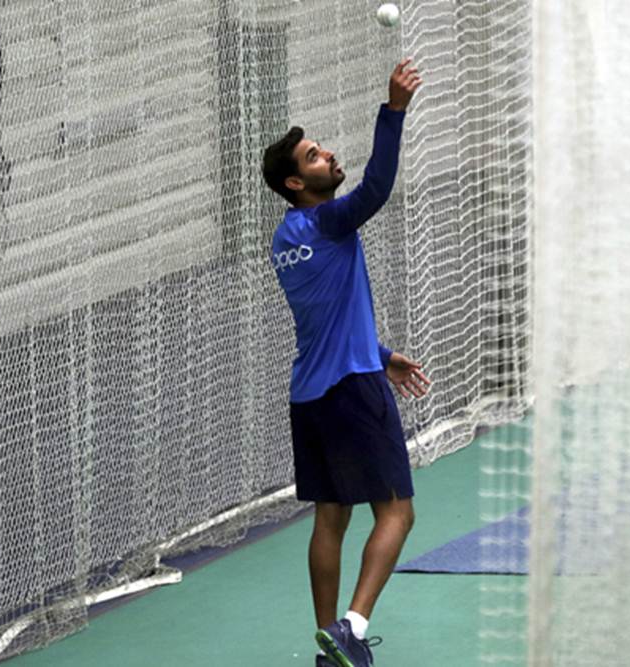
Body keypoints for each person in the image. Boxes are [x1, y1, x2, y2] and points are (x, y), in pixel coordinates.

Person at [261, 58, 429, 667]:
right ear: (296, 185)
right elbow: (377, 189)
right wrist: (394, 110)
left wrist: (381, 354)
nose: (327, 155)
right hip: (353, 393)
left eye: (320, 148)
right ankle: (353, 627)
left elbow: (325, 318)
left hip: (310, 397)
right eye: (313, 157)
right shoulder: (328, 222)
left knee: (330, 518)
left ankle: (328, 643)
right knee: (397, 511)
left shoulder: (285, 241)